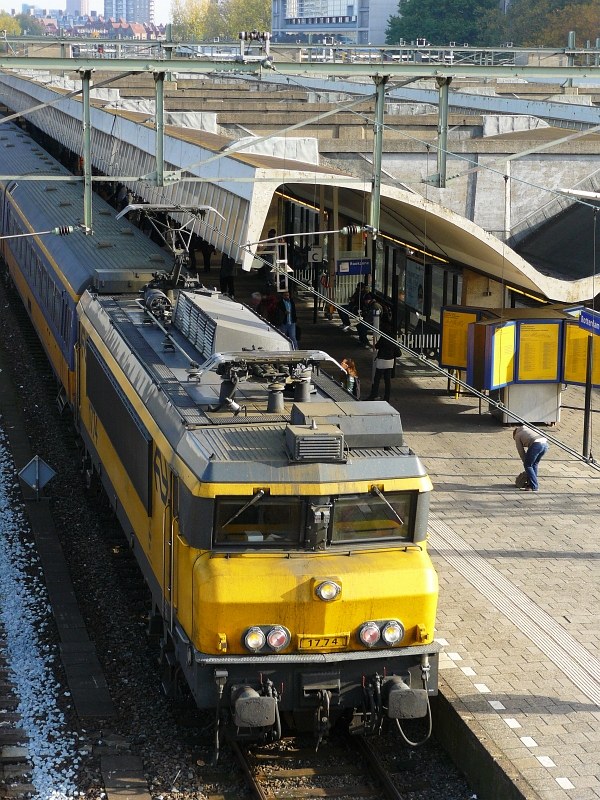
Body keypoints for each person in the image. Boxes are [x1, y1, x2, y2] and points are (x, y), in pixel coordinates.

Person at [366, 323, 400, 402]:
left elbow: (377, 346)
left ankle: (374, 394)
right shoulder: (393, 336)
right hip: (390, 360)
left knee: (377, 379)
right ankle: (387, 397)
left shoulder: (384, 337)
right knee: (387, 380)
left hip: (382, 360)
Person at [513, 424, 549, 492]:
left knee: (528, 465)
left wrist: (525, 461)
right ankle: (530, 485)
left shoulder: (518, 435)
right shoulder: (530, 429)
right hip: (545, 444)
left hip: (536, 445)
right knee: (534, 464)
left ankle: (534, 486)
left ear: (514, 434)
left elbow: (520, 450)